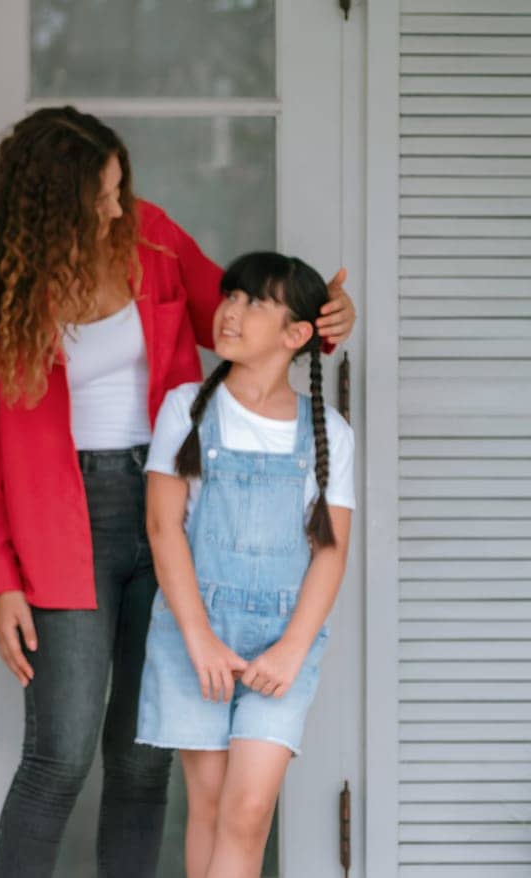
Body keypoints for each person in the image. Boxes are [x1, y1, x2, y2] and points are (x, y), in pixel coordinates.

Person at [0, 106, 356, 878]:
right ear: (53, 205)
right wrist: (2, 578)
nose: (116, 206)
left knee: (142, 760)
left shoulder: (152, 238)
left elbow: (240, 321)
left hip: (178, 504)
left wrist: (329, 322)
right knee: (59, 757)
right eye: (100, 195)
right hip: (62, 524)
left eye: (119, 187)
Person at [136, 252, 355, 878]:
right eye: (230, 295)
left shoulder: (329, 433)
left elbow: (331, 552)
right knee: (207, 807)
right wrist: (200, 640)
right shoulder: (187, 408)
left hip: (281, 645)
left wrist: (291, 648)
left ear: (296, 335)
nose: (230, 309)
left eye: (255, 302)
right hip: (194, 637)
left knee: (249, 808)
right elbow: (163, 527)